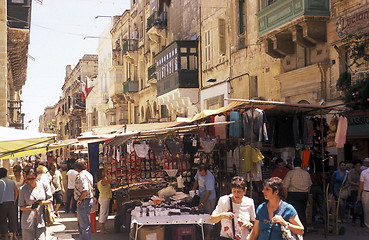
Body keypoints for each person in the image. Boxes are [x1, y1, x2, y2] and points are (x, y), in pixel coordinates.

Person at [18, 168, 53, 240]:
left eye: (32, 178)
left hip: (41, 220)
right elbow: (21, 207)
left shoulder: (44, 185)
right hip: (27, 221)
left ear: (36, 177)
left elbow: (50, 200)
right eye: (28, 179)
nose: (30, 181)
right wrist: (31, 207)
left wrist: (41, 203)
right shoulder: (23, 189)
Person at [283, 157, 312, 231]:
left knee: (292, 213)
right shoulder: (306, 173)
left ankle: (293, 230)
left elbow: (285, 186)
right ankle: (303, 229)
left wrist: (286, 197)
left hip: (293, 195)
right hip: (304, 195)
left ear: (293, 164)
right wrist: (307, 196)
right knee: (302, 212)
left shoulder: (290, 173)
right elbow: (309, 186)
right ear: (301, 164)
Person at [192, 163, 216, 239]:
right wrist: (193, 190)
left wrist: (202, 203)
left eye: (203, 174)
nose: (201, 175)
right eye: (200, 173)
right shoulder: (198, 172)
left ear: (206, 171)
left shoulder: (210, 178)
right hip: (201, 196)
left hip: (209, 198)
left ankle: (209, 235)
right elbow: (196, 181)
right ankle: (202, 233)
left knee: (208, 216)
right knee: (201, 214)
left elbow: (208, 193)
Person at [74, 159, 94, 240]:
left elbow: (85, 190)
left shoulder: (81, 176)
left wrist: (79, 199)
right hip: (87, 200)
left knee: (84, 225)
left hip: (84, 201)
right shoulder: (88, 174)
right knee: (84, 224)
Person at [0, 168, 18, 240]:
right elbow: (16, 191)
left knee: (3, 220)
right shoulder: (11, 182)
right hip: (11, 203)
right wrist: (14, 199)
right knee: (13, 219)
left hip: (2, 203)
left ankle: (6, 236)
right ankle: (14, 235)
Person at [96, 168, 112, 234]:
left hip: (104, 197)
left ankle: (102, 228)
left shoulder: (101, 181)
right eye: (104, 172)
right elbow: (110, 180)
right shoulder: (102, 181)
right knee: (103, 213)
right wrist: (106, 175)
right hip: (104, 198)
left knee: (103, 213)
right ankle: (102, 229)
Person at [10, 165, 24, 236]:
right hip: (14, 196)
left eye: (16, 171)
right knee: (14, 214)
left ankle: (21, 228)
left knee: (22, 212)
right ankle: (15, 230)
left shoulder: (23, 177)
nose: (14, 173)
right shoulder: (12, 178)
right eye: (14, 171)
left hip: (22, 196)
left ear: (19, 171)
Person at [349, 159, 364, 226]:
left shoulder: (362, 172)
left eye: (359, 165)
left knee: (362, 205)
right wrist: (356, 184)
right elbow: (349, 181)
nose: (358, 167)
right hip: (354, 189)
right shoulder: (351, 172)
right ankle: (353, 220)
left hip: (361, 190)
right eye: (357, 165)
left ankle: (362, 221)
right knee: (355, 205)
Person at [358, 160, 369, 232]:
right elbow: (361, 185)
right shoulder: (364, 172)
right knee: (366, 210)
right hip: (365, 193)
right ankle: (368, 225)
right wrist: (359, 195)